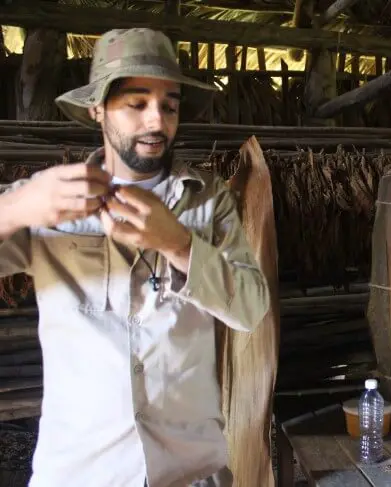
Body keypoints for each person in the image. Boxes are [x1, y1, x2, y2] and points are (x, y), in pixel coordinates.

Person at [0, 28, 271, 487]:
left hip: (189, 471)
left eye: (169, 105)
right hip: (81, 472)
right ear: (97, 108)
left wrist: (179, 244)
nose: (156, 121)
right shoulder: (49, 198)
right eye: (136, 103)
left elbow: (251, 309)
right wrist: (15, 209)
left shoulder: (208, 200)